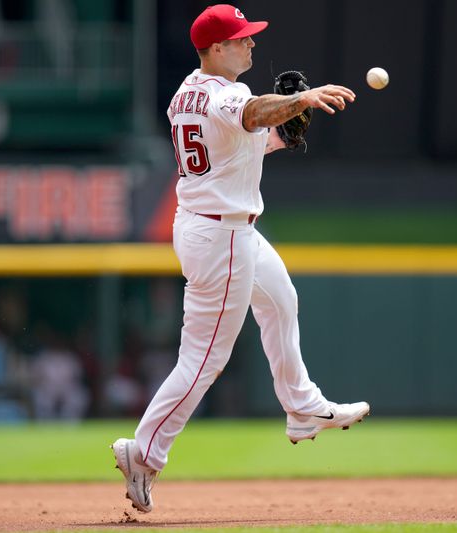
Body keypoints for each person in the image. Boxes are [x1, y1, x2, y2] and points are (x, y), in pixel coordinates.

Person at [111, 4, 369, 513]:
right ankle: (144, 452)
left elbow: (234, 145)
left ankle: (301, 407)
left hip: (215, 226)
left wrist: (278, 134)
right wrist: (299, 100)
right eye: (241, 38)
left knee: (280, 300)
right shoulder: (228, 94)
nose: (251, 44)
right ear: (215, 48)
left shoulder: (188, 91)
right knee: (204, 358)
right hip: (221, 237)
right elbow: (248, 114)